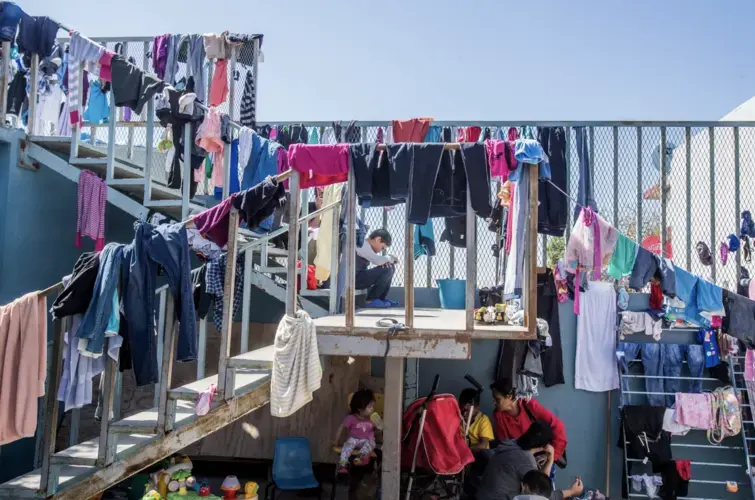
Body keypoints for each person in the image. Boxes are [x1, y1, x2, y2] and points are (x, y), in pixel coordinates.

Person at [477, 421, 583, 500]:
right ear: (543, 447)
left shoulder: (511, 443)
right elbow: (543, 495)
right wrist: (572, 491)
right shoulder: (525, 460)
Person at [490, 379, 567, 462]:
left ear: (509, 397)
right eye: (493, 399)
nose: (493, 402)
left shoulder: (529, 405)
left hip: (541, 455)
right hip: (520, 457)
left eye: (497, 400)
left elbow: (558, 426)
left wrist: (551, 456)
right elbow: (505, 444)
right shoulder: (499, 415)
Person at [334, 389, 377, 474]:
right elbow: (341, 428)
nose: (372, 409)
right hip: (354, 439)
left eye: (372, 406)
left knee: (371, 443)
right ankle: (343, 464)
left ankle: (359, 457)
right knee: (348, 445)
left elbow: (374, 433)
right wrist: (337, 441)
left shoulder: (371, 420)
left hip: (365, 441)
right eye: (369, 406)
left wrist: (379, 427)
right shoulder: (351, 418)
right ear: (360, 408)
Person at [355, 229, 398, 308]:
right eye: (382, 247)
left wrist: (388, 261)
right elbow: (377, 260)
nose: (380, 251)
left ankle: (380, 299)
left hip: (358, 278)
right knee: (387, 268)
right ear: (378, 239)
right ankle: (371, 300)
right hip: (353, 280)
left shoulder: (365, 246)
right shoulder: (362, 244)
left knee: (390, 267)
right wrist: (389, 258)